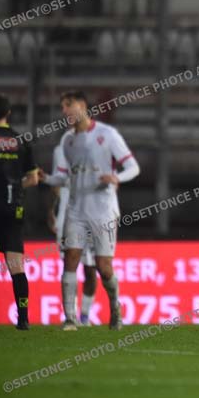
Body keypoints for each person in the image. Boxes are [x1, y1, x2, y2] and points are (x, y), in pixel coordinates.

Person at [40, 91, 140, 330]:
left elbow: (133, 167)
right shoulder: (67, 141)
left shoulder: (107, 134)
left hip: (103, 210)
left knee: (103, 267)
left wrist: (116, 177)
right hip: (76, 210)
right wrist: (46, 178)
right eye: (62, 106)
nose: (64, 111)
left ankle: (115, 307)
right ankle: (70, 318)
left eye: (68, 105)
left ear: (82, 105)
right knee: (71, 259)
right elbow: (66, 178)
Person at [0, 94, 39, 330]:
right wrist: (13, 187)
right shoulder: (21, 141)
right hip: (12, 208)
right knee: (16, 265)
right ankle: (23, 319)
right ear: (9, 114)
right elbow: (33, 178)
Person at [45, 143, 98, 326]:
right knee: (70, 265)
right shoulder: (60, 149)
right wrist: (52, 210)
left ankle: (85, 315)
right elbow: (56, 184)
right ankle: (71, 316)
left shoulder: (99, 145)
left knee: (91, 268)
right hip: (67, 213)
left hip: (93, 213)